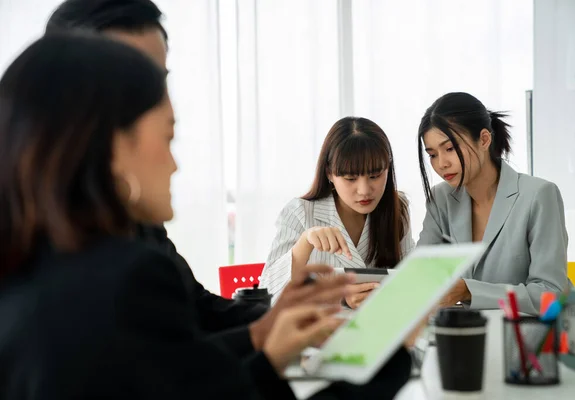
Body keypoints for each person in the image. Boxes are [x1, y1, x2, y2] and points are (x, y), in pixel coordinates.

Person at [0, 33, 416, 399]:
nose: (175, 164)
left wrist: (267, 339)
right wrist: (389, 353)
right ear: (110, 143)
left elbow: (193, 370)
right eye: (168, 135)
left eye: (375, 175)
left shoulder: (28, 273)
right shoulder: (127, 277)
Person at [44, 0, 314, 356]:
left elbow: (198, 310)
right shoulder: (44, 247)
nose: (162, 107)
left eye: (159, 81)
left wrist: (285, 317)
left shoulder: (134, 214)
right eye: (134, 83)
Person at [416, 92, 570, 315]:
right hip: (466, 336)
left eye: (450, 149)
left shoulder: (538, 195)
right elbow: (420, 274)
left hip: (530, 339)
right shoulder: (441, 199)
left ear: (485, 139)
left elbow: (551, 294)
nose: (441, 164)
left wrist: (469, 291)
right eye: (432, 154)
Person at [261, 117, 415, 308]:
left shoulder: (397, 208)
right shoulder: (300, 212)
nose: (364, 190)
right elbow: (268, 296)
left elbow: (412, 282)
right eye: (351, 178)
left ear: (388, 168)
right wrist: (305, 243)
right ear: (329, 173)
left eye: (375, 176)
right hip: (317, 333)